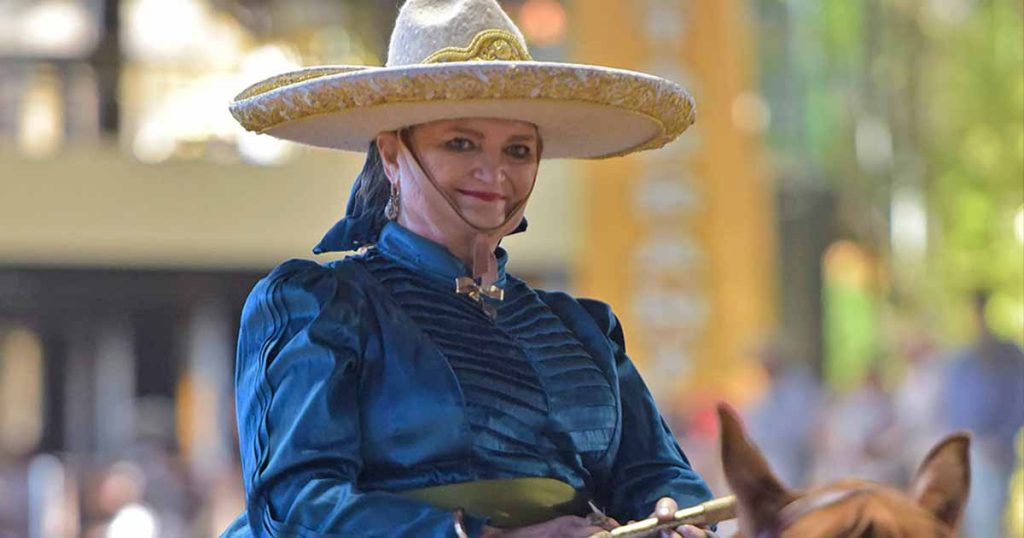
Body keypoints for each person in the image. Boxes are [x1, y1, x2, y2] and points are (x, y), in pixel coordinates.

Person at [221, 0, 715, 536]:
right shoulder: (321, 307)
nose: (494, 172)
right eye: (461, 143)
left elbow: (657, 471)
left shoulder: (584, 329)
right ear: (392, 154)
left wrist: (674, 513)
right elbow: (296, 505)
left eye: (519, 150)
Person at [943, 290, 1024, 537]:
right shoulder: (962, 360)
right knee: (974, 520)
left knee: (988, 520)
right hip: (969, 449)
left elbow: (1018, 400)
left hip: (995, 450)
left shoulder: (1008, 356)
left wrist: (1001, 438)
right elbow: (952, 408)